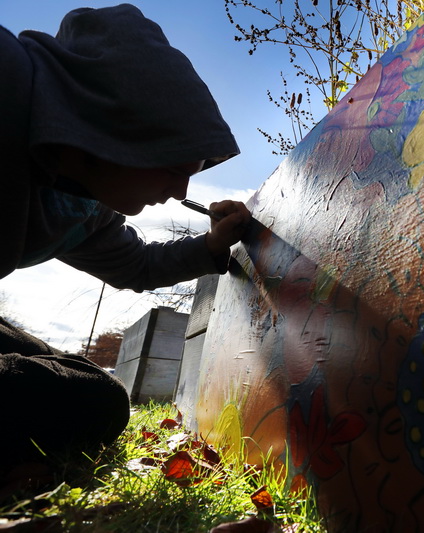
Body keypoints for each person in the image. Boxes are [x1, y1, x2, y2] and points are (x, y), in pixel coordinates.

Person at [0, 4, 251, 481]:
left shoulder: (81, 202)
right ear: (123, 127)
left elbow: (136, 265)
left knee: (87, 388)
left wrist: (212, 245)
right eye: (176, 165)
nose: (180, 191)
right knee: (87, 405)